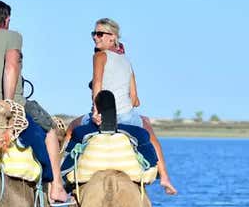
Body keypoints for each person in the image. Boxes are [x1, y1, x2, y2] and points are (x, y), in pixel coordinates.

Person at [0, 0, 68, 203]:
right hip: (10, 102)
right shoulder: (13, 36)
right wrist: (8, 102)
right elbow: (11, 66)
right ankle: (57, 188)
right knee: (49, 129)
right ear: (6, 20)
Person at [70, 18, 177, 195]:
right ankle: (164, 177)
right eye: (93, 34)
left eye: (99, 34)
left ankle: (58, 183)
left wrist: (97, 111)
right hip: (128, 116)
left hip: (105, 116)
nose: (95, 38)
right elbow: (135, 100)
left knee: (70, 129)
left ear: (112, 37)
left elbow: (97, 84)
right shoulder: (127, 61)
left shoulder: (99, 56)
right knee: (149, 132)